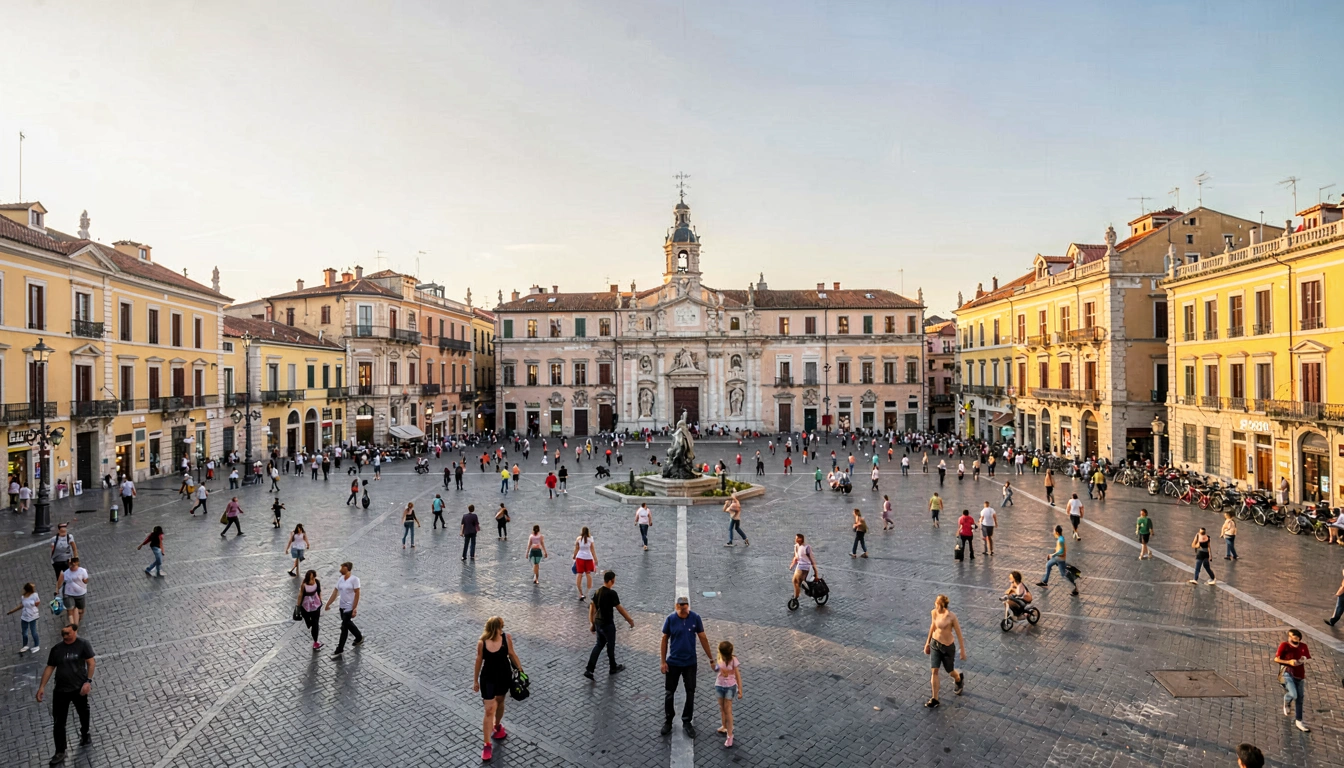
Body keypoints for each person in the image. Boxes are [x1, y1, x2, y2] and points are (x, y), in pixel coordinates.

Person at [36, 623, 95, 765]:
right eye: (64, 634)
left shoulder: (83, 645)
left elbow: (91, 663)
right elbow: (50, 667)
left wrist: (88, 682)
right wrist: (42, 686)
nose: (66, 636)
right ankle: (60, 750)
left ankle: (85, 733)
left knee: (83, 712)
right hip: (61, 690)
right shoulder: (57, 649)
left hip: (78, 688)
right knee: (58, 722)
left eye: (68, 633)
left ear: (75, 632)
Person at [472, 616, 525, 762]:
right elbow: (478, 660)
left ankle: (497, 725)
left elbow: (512, 654)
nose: (501, 630)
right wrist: (475, 680)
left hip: (503, 676)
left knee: (500, 701)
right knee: (489, 710)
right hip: (488, 678)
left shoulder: (506, 638)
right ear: (494, 628)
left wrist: (521, 671)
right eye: (500, 627)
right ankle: (487, 744)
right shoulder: (482, 643)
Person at [660, 596, 713, 738]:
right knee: (669, 693)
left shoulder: (695, 618)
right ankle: (668, 721)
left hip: (690, 663)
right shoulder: (671, 619)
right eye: (681, 605)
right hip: (673, 663)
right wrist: (663, 661)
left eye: (685, 605)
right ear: (676, 606)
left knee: (690, 692)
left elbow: (703, 637)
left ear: (688, 605)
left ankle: (687, 721)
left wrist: (711, 658)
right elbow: (664, 639)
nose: (683, 607)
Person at [585, 570, 634, 679]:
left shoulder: (597, 592)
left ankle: (589, 669)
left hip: (598, 622)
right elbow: (619, 608)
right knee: (610, 645)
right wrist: (629, 620)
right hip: (608, 624)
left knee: (599, 645)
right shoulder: (612, 593)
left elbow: (592, 608)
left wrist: (592, 623)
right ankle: (613, 667)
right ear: (611, 581)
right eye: (614, 580)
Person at [922, 595, 966, 708]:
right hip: (935, 644)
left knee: (950, 671)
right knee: (934, 671)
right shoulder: (934, 613)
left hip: (947, 647)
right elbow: (932, 627)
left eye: (936, 602)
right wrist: (927, 643)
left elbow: (959, 634)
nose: (935, 604)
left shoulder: (951, 617)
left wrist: (962, 650)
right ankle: (935, 698)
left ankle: (958, 678)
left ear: (940, 604)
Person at [1274, 628, 1311, 732]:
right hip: (1287, 673)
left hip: (1300, 675)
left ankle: (1299, 721)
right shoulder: (1284, 645)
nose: (1290, 639)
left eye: (1293, 637)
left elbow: (1308, 658)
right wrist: (1289, 662)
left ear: (1298, 639)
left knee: (1300, 698)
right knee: (1294, 694)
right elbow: (1276, 659)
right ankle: (1287, 700)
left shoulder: (1303, 647)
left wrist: (1303, 660)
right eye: (1289, 636)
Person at [324, 561, 363, 656]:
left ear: (347, 569)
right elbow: (335, 592)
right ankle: (359, 637)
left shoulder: (355, 580)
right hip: (342, 606)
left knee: (344, 627)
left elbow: (357, 594)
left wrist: (354, 608)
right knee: (348, 624)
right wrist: (328, 603)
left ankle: (340, 648)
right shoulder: (341, 579)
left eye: (342, 568)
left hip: (349, 607)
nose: (340, 570)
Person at [713, 640, 743, 748]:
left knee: (728, 710)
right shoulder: (719, 658)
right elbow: (716, 669)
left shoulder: (733, 660)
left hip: (730, 686)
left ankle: (730, 735)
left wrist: (740, 689)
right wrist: (715, 666)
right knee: (722, 708)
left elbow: (737, 675)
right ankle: (724, 726)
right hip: (719, 685)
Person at [1037, 525, 1078, 596]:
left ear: (1057, 532)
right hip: (1057, 558)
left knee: (1064, 574)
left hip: (1060, 559)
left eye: (1054, 531)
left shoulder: (1060, 540)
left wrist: (1052, 555)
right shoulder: (1060, 538)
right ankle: (1044, 582)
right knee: (1048, 564)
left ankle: (1075, 587)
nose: (1053, 532)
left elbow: (1061, 551)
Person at [55, 558, 90, 627]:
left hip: (80, 594)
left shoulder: (82, 571)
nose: (73, 564)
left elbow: (86, 581)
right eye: (71, 563)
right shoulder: (65, 573)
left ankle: (77, 621)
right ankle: (73, 626)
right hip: (68, 594)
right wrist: (57, 590)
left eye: (74, 563)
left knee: (81, 610)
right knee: (70, 609)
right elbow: (59, 582)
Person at [7, 582, 40, 653]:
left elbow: (37, 603)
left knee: (33, 632)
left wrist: (31, 605)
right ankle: (25, 645)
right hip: (24, 616)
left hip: (32, 616)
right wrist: (12, 611)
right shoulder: (23, 597)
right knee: (24, 632)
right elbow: (21, 605)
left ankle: (37, 645)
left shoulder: (35, 595)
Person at [297, 570, 324, 651]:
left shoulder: (317, 582)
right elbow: (300, 595)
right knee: (309, 622)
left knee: (315, 624)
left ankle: (315, 641)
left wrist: (320, 601)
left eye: (313, 578)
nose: (312, 580)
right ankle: (311, 626)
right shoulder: (304, 585)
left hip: (316, 606)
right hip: (306, 607)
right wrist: (298, 606)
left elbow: (319, 592)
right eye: (310, 578)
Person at [789, 534, 818, 601]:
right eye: (796, 538)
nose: (796, 539)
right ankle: (797, 596)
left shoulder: (806, 547)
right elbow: (796, 557)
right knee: (795, 581)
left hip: (805, 566)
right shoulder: (796, 546)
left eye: (797, 538)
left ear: (801, 539)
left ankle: (796, 598)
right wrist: (792, 564)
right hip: (799, 566)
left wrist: (816, 572)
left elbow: (811, 559)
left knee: (797, 581)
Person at [574, 527, 597, 600]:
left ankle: (580, 593)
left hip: (580, 558)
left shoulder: (578, 539)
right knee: (588, 574)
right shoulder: (591, 539)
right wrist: (595, 559)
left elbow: (576, 548)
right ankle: (587, 592)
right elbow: (592, 550)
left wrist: (574, 556)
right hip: (588, 558)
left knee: (579, 575)